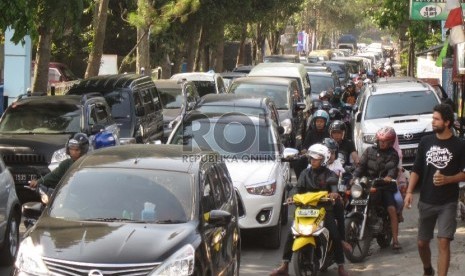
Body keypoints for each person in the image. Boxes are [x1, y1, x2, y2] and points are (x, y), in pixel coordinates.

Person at [404, 103, 465, 276]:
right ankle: (427, 269)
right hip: (426, 200)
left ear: (447, 122)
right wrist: (409, 192)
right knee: (422, 243)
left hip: (448, 202)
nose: (433, 122)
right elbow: (416, 169)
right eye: (433, 118)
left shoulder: (459, 145)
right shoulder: (426, 142)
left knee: (444, 242)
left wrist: (449, 179)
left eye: (436, 119)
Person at [270, 144, 350, 276]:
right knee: (292, 233)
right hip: (305, 209)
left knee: (335, 235)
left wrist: (333, 194)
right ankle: (284, 265)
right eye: (311, 158)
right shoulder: (304, 173)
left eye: (316, 158)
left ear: (323, 159)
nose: (313, 160)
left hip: (324, 209)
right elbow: (297, 189)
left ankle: (341, 267)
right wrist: (291, 197)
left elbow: (334, 188)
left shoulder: (330, 174)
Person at [352, 126, 401, 250]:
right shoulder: (369, 151)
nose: (382, 143)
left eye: (385, 141)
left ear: (391, 142)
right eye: (381, 140)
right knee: (353, 200)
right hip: (369, 184)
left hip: (384, 186)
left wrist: (389, 177)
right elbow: (361, 166)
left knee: (391, 209)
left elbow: (393, 168)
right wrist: (354, 176)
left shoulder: (393, 154)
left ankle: (395, 240)